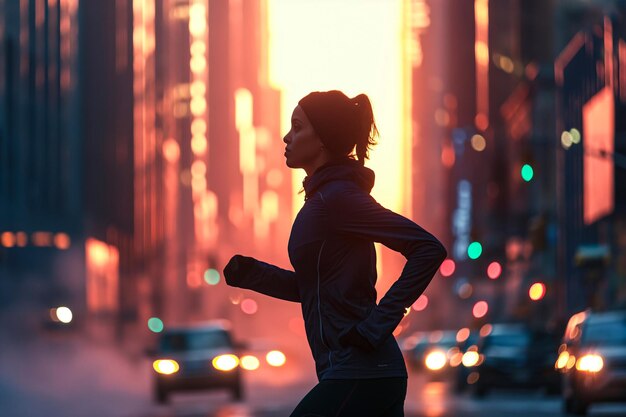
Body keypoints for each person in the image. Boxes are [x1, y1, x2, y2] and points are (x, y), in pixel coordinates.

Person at [224, 90, 447, 417]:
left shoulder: (338, 199)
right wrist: (253, 274)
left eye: (298, 127)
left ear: (323, 139)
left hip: (363, 373)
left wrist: (376, 326)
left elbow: (428, 249)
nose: (287, 137)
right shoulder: (322, 201)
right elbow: (315, 289)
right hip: (357, 372)